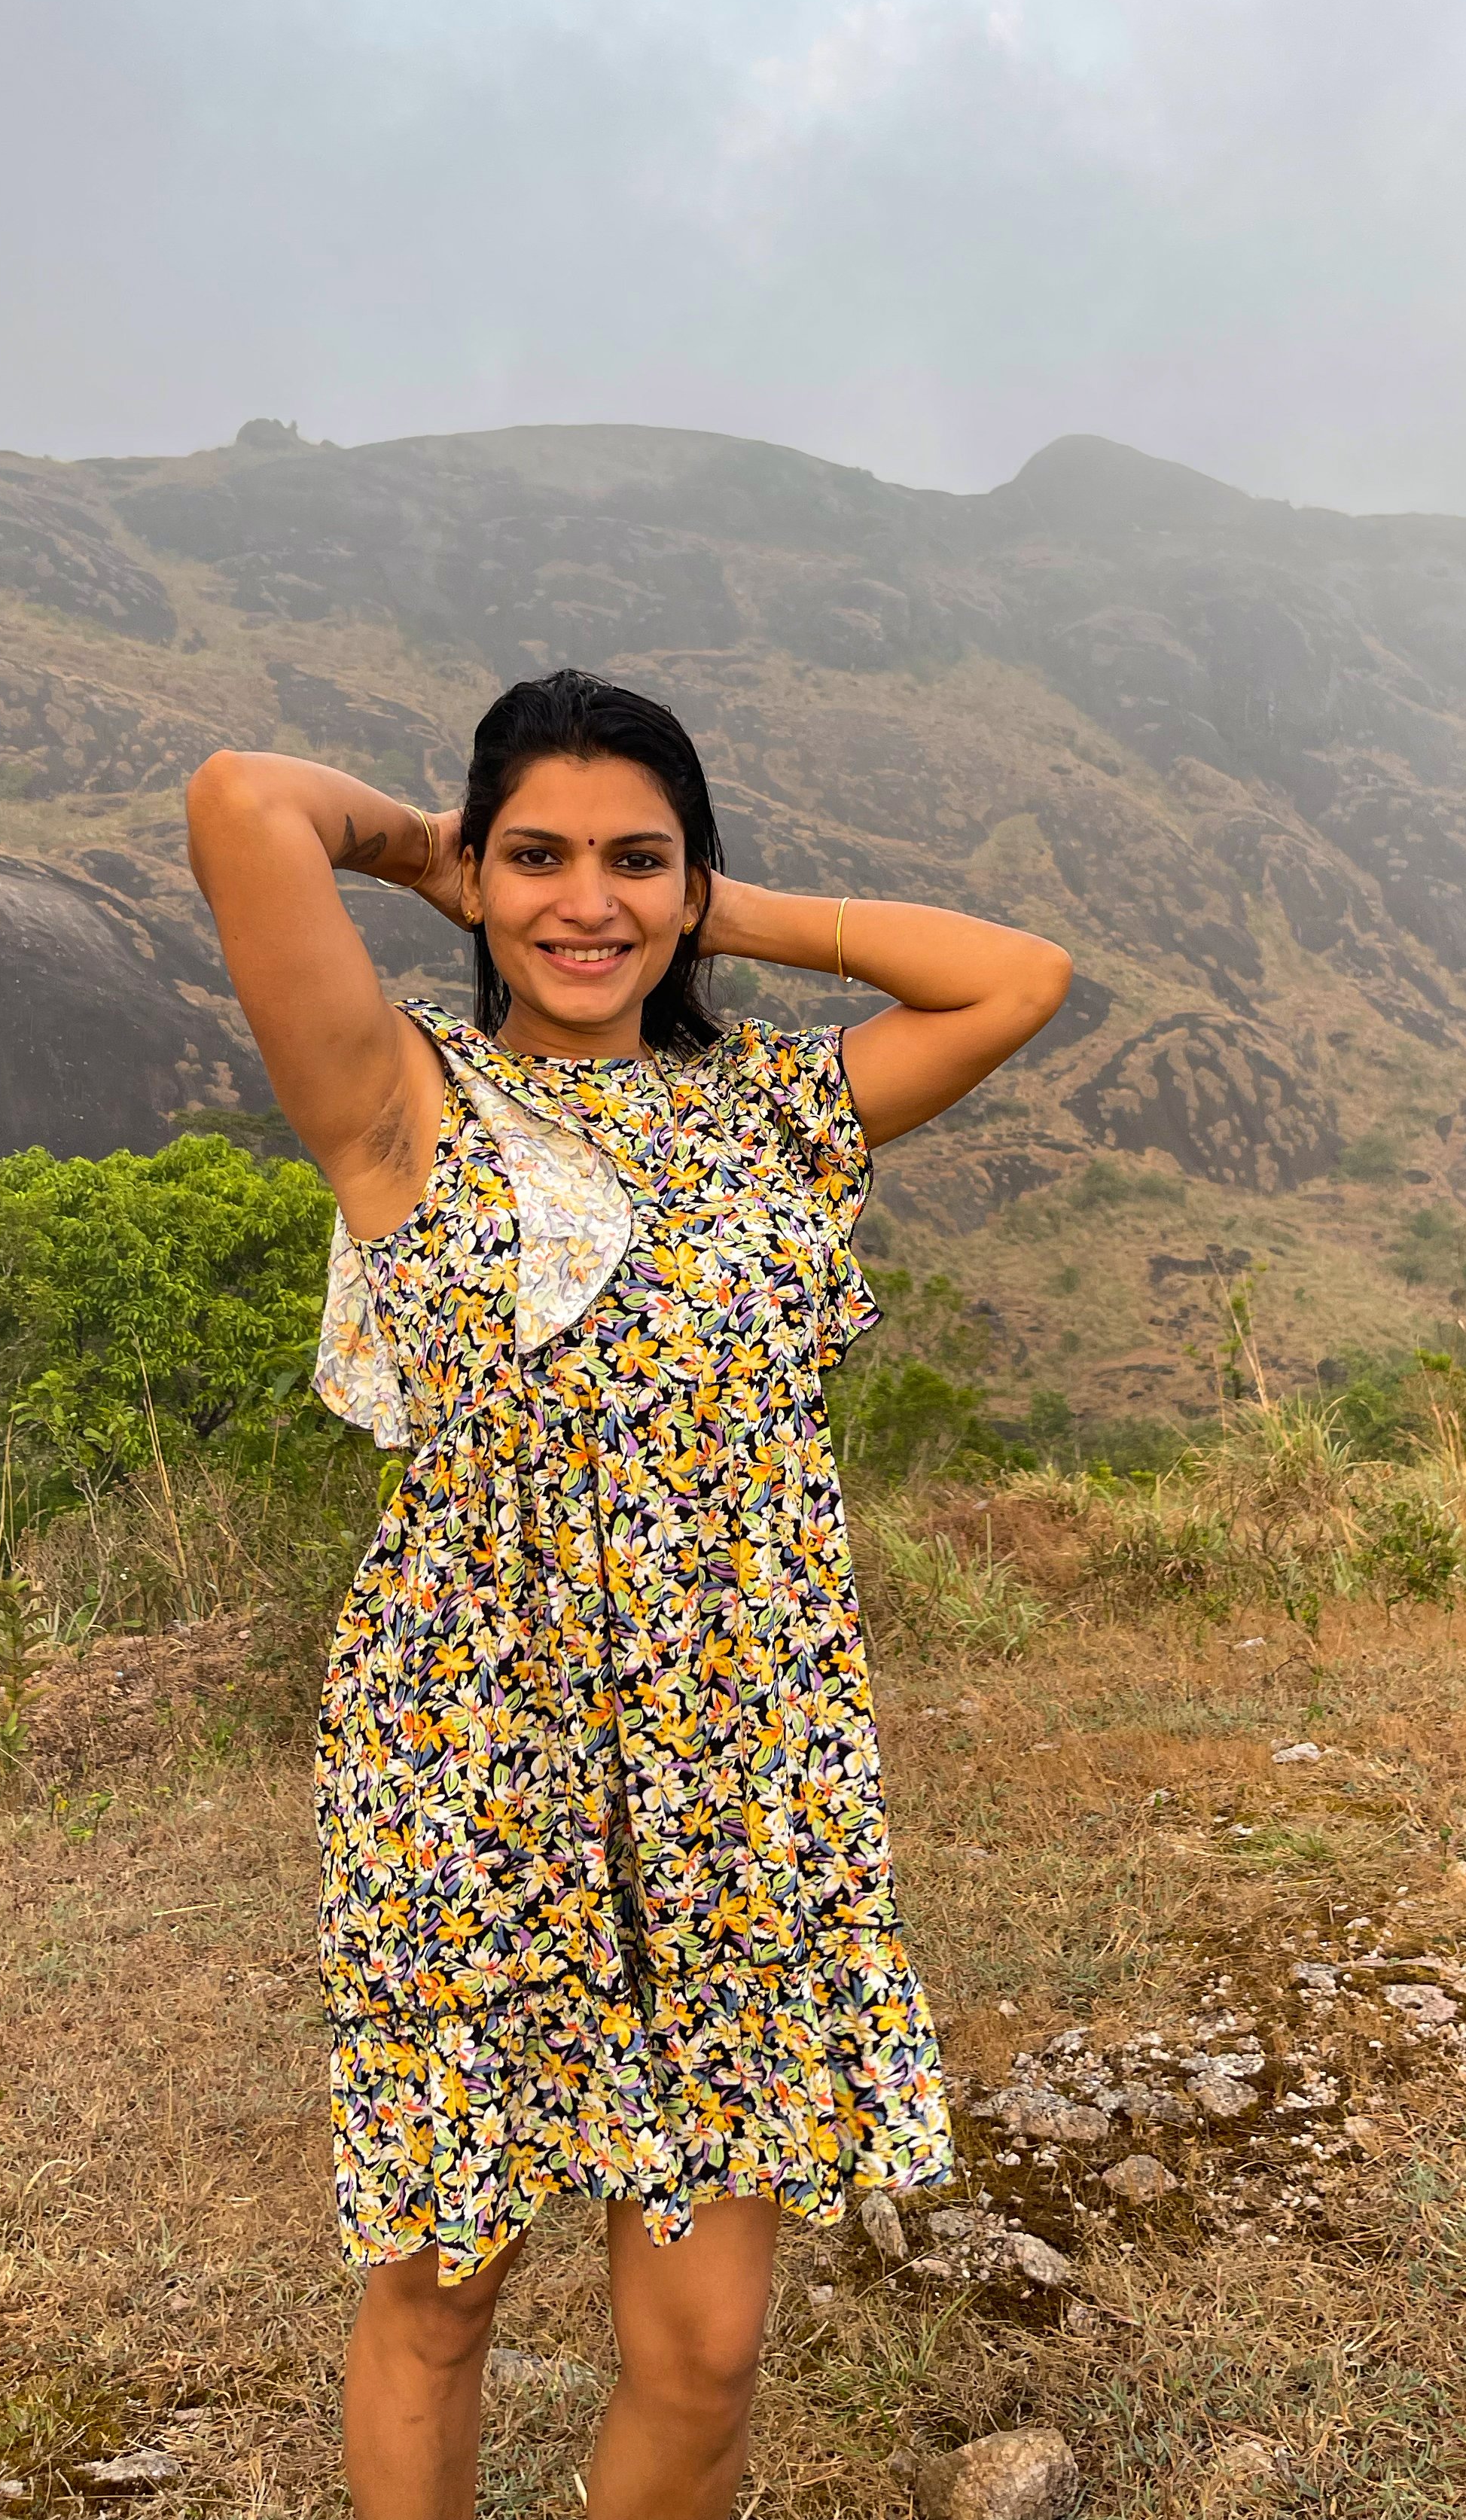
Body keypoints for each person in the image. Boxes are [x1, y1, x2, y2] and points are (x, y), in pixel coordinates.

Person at [185, 666, 1071, 2520]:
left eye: (634, 861)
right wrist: (431, 855)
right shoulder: (405, 1101)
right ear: (480, 872)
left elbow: (1017, 978)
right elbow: (246, 801)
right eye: (540, 859)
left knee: (705, 2354)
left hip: (744, 1772)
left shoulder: (779, 1109)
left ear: (690, 880)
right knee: (444, 2294)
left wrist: (706, 910)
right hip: (471, 1768)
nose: (584, 900)